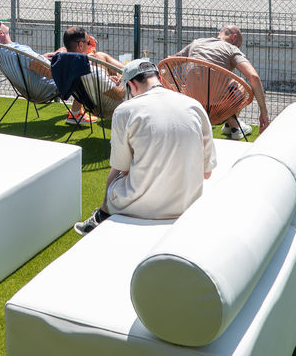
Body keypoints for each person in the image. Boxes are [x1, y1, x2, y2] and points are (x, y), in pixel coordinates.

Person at [74, 58, 216, 235]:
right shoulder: (194, 105)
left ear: (132, 85)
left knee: (114, 171)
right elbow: (207, 172)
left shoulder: (126, 110)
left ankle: (101, 215)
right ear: (160, 80)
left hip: (141, 207)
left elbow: (122, 169)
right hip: (186, 203)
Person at [178, 24, 272, 137]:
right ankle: (235, 126)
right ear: (234, 37)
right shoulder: (231, 49)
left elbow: (168, 63)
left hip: (191, 107)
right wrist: (264, 112)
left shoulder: (196, 43)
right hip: (217, 112)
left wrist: (172, 89)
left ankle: (231, 125)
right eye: (239, 45)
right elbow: (254, 77)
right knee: (240, 84)